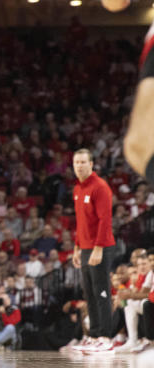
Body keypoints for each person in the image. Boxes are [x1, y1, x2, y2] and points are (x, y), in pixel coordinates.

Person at [67, 149, 116, 353]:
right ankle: (95, 335)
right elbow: (81, 222)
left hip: (101, 247)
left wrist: (98, 248)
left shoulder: (100, 187)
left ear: (91, 164)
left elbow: (105, 220)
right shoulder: (77, 189)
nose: (79, 165)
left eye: (83, 162)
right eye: (76, 162)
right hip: (86, 248)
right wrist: (77, 247)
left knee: (102, 291)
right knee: (90, 293)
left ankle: (106, 337)